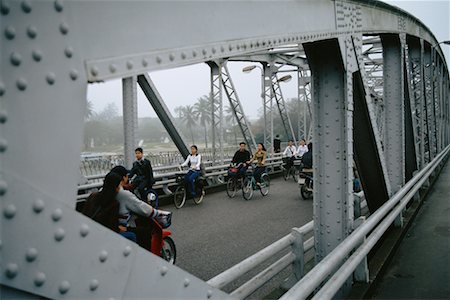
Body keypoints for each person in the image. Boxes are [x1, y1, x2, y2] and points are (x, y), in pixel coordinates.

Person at [110, 166, 171, 255]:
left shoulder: (102, 192)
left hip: (107, 227)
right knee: (144, 233)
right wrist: (157, 213)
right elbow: (141, 207)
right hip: (118, 229)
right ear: (123, 178)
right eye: (127, 176)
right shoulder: (123, 194)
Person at [82, 172, 137, 242]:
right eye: (119, 186)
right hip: (103, 237)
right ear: (116, 187)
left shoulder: (92, 196)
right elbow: (112, 228)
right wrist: (119, 228)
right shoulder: (114, 203)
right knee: (132, 235)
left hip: (88, 230)